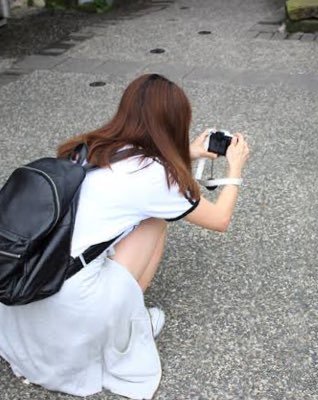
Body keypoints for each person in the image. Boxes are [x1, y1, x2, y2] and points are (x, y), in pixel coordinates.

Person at [0, 74, 249, 399]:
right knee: (157, 220)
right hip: (69, 306)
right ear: (175, 123)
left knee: (147, 212)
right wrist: (236, 169)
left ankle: (110, 311)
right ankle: (125, 322)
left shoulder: (91, 146)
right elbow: (220, 219)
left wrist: (189, 154)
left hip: (26, 286)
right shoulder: (156, 175)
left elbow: (136, 177)